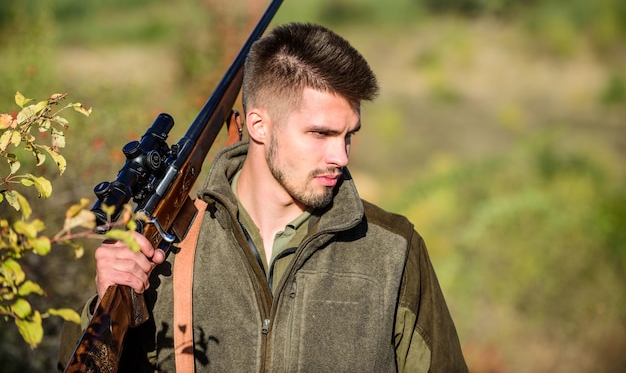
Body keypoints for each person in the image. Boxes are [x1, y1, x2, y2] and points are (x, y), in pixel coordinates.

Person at [58, 22, 468, 372]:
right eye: (321, 134)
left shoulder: (392, 249)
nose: (340, 157)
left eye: (349, 136)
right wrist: (105, 298)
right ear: (259, 125)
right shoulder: (160, 251)